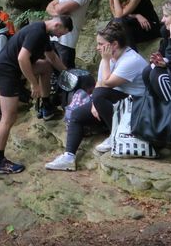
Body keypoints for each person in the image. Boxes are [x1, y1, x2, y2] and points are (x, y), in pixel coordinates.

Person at [45, 22, 148, 171]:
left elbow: (107, 83)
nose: (98, 47)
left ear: (114, 44)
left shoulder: (131, 60)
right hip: (118, 103)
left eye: (101, 44)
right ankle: (69, 157)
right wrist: (94, 104)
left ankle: (116, 135)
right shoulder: (108, 58)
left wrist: (105, 61)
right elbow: (99, 83)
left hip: (136, 107)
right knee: (77, 114)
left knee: (99, 94)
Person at [0, 16, 72, 174]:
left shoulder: (44, 34)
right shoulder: (37, 32)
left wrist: (68, 73)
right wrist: (34, 84)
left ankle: (46, 106)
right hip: (7, 70)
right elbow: (22, 58)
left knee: (45, 66)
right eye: (62, 33)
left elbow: (52, 58)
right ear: (57, 25)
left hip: (12, 68)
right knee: (9, 117)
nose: (60, 36)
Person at [46, 0, 91, 68]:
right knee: (51, 71)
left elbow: (60, 9)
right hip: (53, 37)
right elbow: (48, 7)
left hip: (67, 40)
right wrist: (58, 11)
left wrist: (57, 8)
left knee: (66, 72)